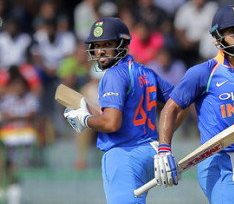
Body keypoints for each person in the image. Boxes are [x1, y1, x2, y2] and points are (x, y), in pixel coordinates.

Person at [153, 5, 234, 203]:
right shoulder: (203, 72)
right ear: (216, 38)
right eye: (233, 31)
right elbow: (170, 109)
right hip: (217, 159)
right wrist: (163, 149)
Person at [62, 17, 180, 204]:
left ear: (123, 44)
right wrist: (163, 141)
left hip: (123, 156)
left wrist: (84, 119)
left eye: (107, 44)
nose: (100, 50)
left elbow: (111, 123)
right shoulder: (145, 71)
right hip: (150, 152)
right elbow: (179, 104)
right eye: (96, 45)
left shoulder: (114, 74)